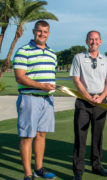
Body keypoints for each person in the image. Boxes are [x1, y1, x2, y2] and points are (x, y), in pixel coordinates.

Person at [12, 20, 57, 180]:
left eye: (45, 32)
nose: (42, 34)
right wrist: (41, 86)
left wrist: (51, 87)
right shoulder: (23, 51)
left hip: (47, 100)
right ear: (33, 31)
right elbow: (20, 77)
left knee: (41, 135)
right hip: (30, 98)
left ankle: (39, 168)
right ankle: (28, 174)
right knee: (27, 136)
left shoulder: (52, 53)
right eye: (39, 31)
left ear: (48, 33)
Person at [69, 30, 107, 180]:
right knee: (80, 137)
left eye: (96, 39)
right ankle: (78, 171)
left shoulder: (106, 60)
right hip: (83, 102)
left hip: (101, 102)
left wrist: (101, 97)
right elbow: (76, 80)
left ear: (100, 41)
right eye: (91, 39)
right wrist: (88, 97)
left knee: (98, 136)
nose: (94, 42)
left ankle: (97, 166)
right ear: (86, 41)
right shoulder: (79, 58)